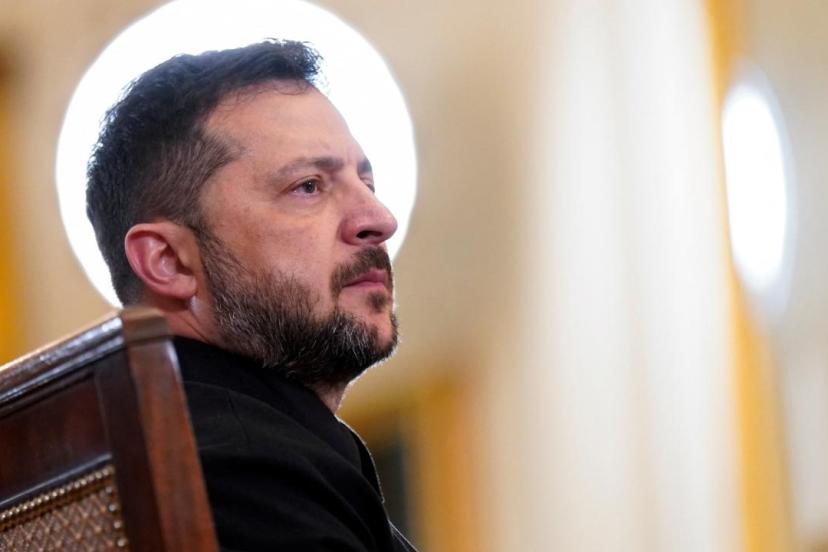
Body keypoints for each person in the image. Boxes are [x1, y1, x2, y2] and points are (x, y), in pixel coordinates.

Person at [85, 39, 416, 552]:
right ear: (169, 261)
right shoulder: (235, 473)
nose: (380, 219)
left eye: (366, 182)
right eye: (308, 186)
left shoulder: (140, 451)